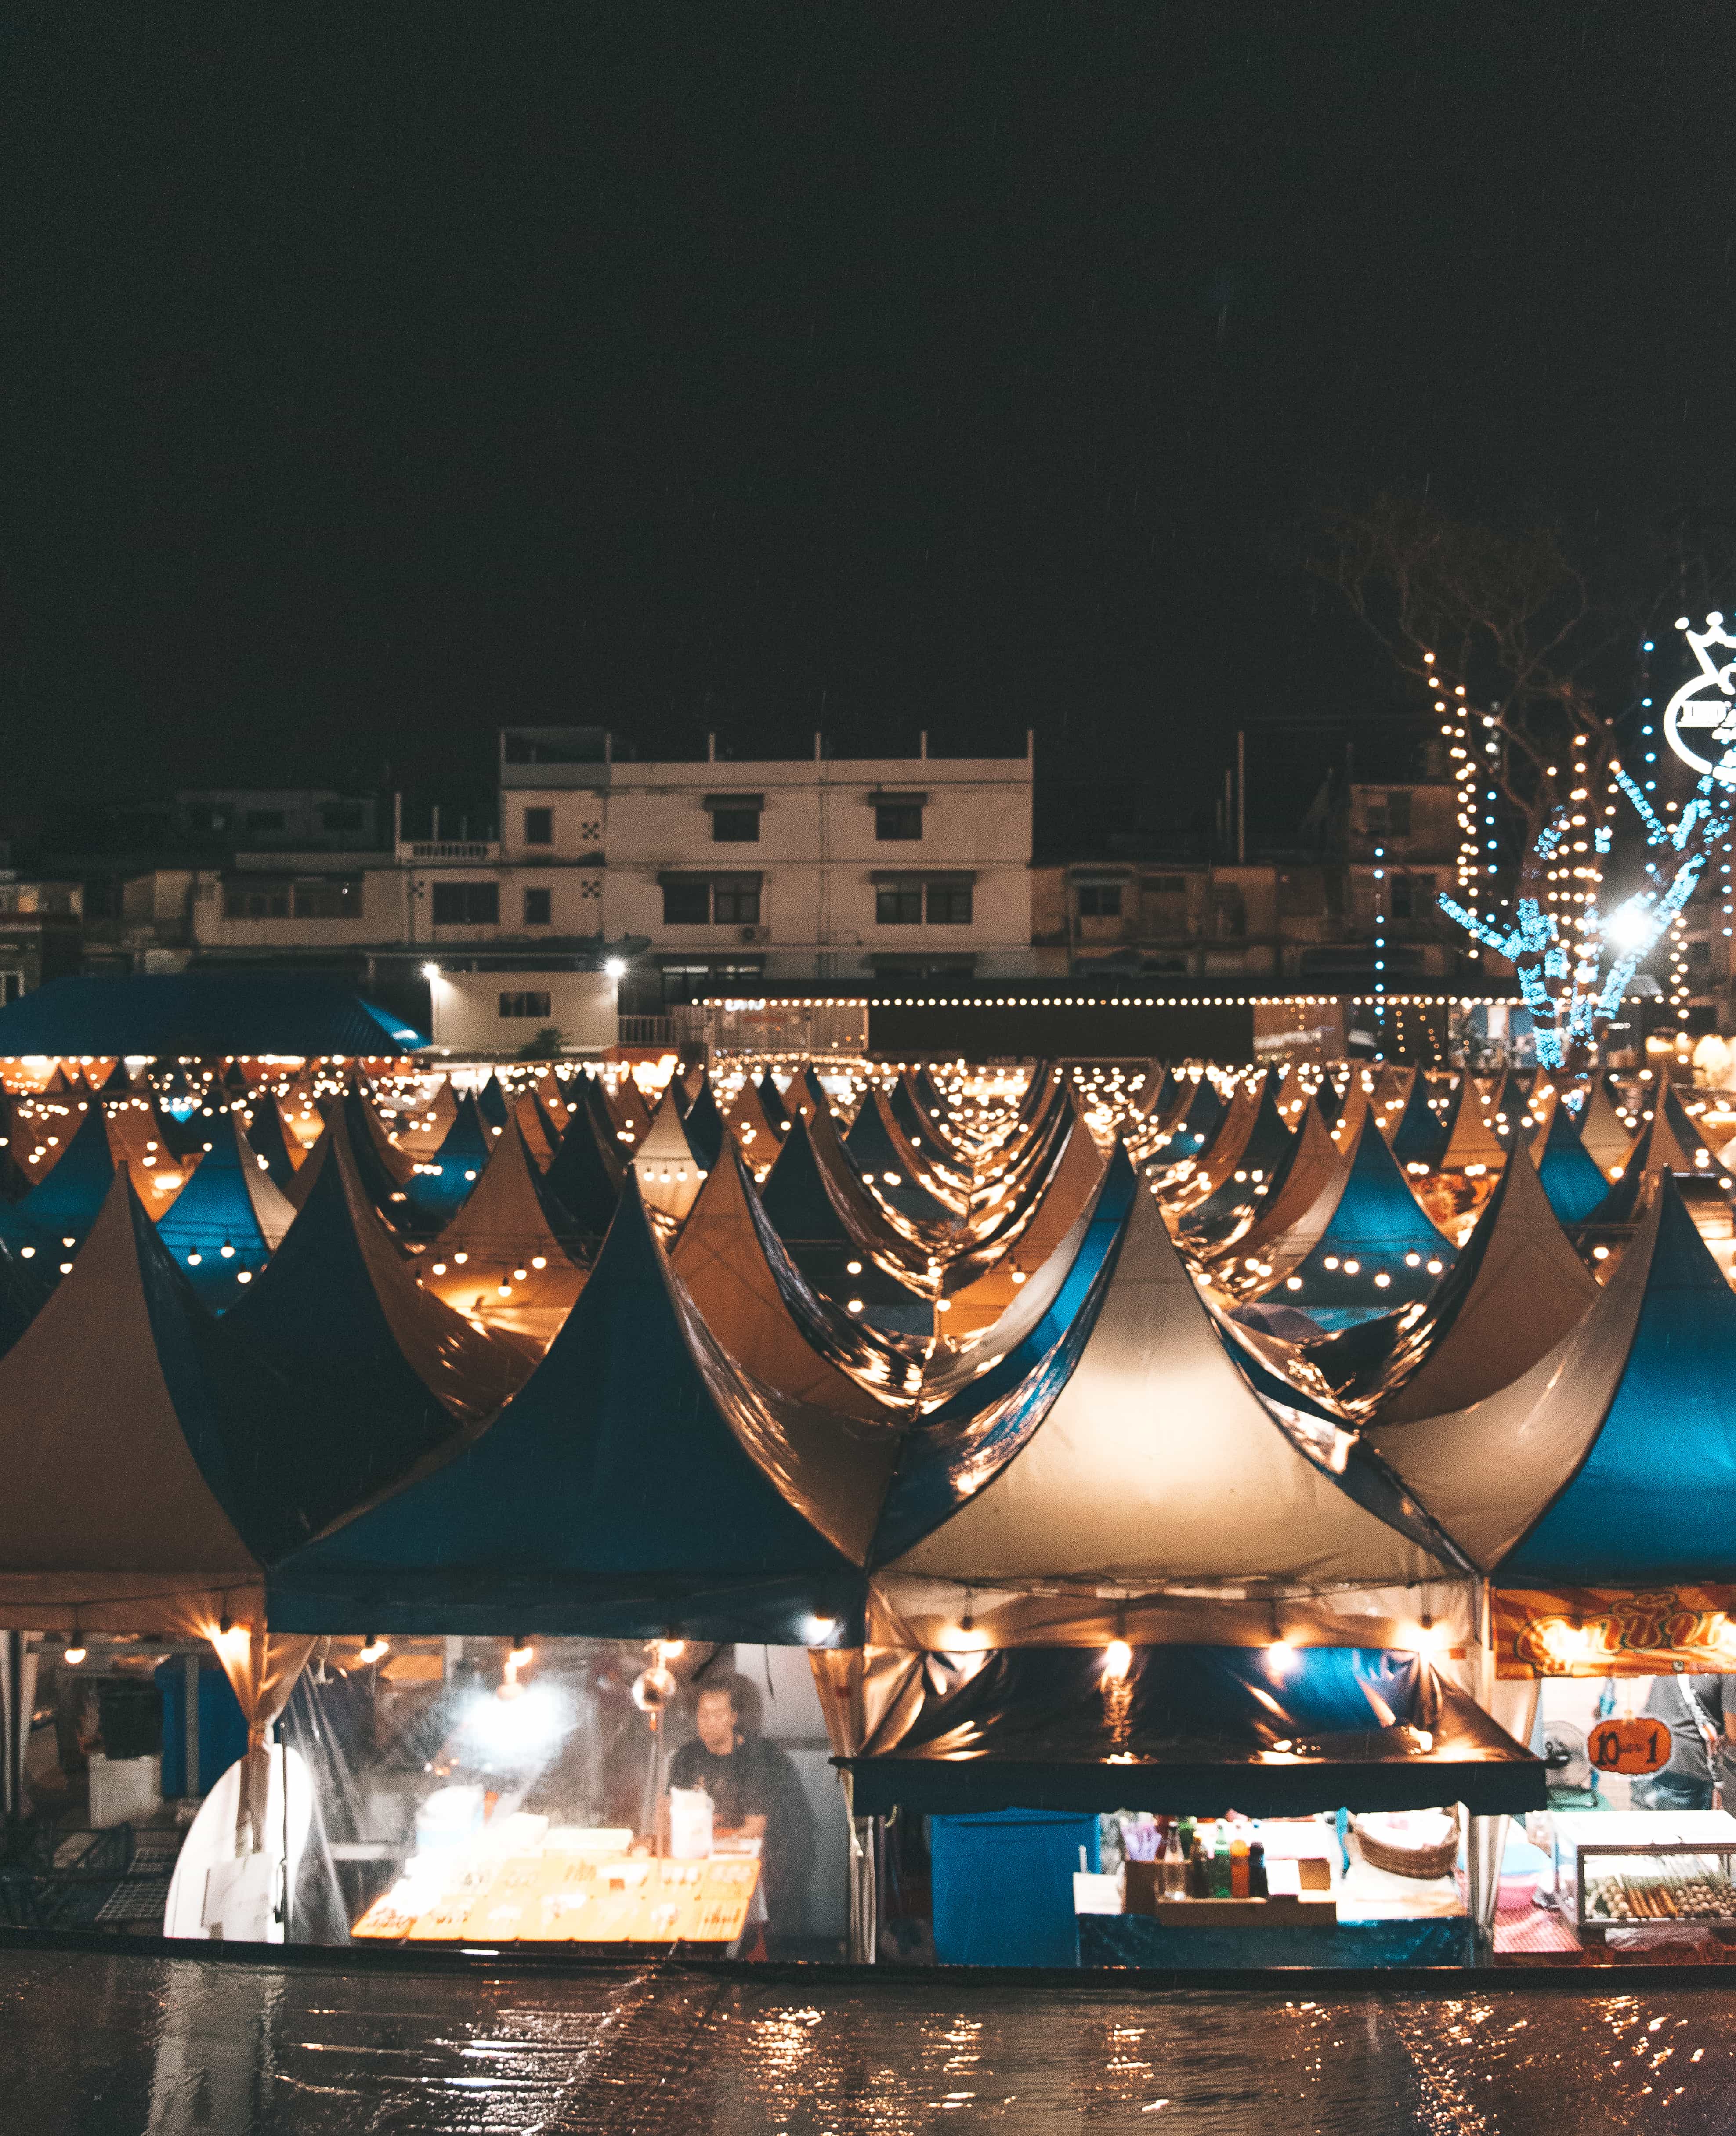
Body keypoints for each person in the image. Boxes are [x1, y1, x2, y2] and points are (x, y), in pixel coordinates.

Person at [667, 1672, 814, 1945]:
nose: (709, 1723)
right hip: (695, 1862)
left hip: (763, 1867)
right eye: (703, 1715)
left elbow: (754, 1829)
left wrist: (707, 1833)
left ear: (734, 1718)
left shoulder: (759, 1758)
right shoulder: (686, 1757)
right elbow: (666, 1813)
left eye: (718, 1715)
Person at [1631, 1674, 1736, 1811]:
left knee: (1645, 1830)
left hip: (1643, 1756)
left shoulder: (1672, 1656)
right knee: (1685, 1831)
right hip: (1686, 1765)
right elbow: (1733, 1734)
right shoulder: (1727, 1667)